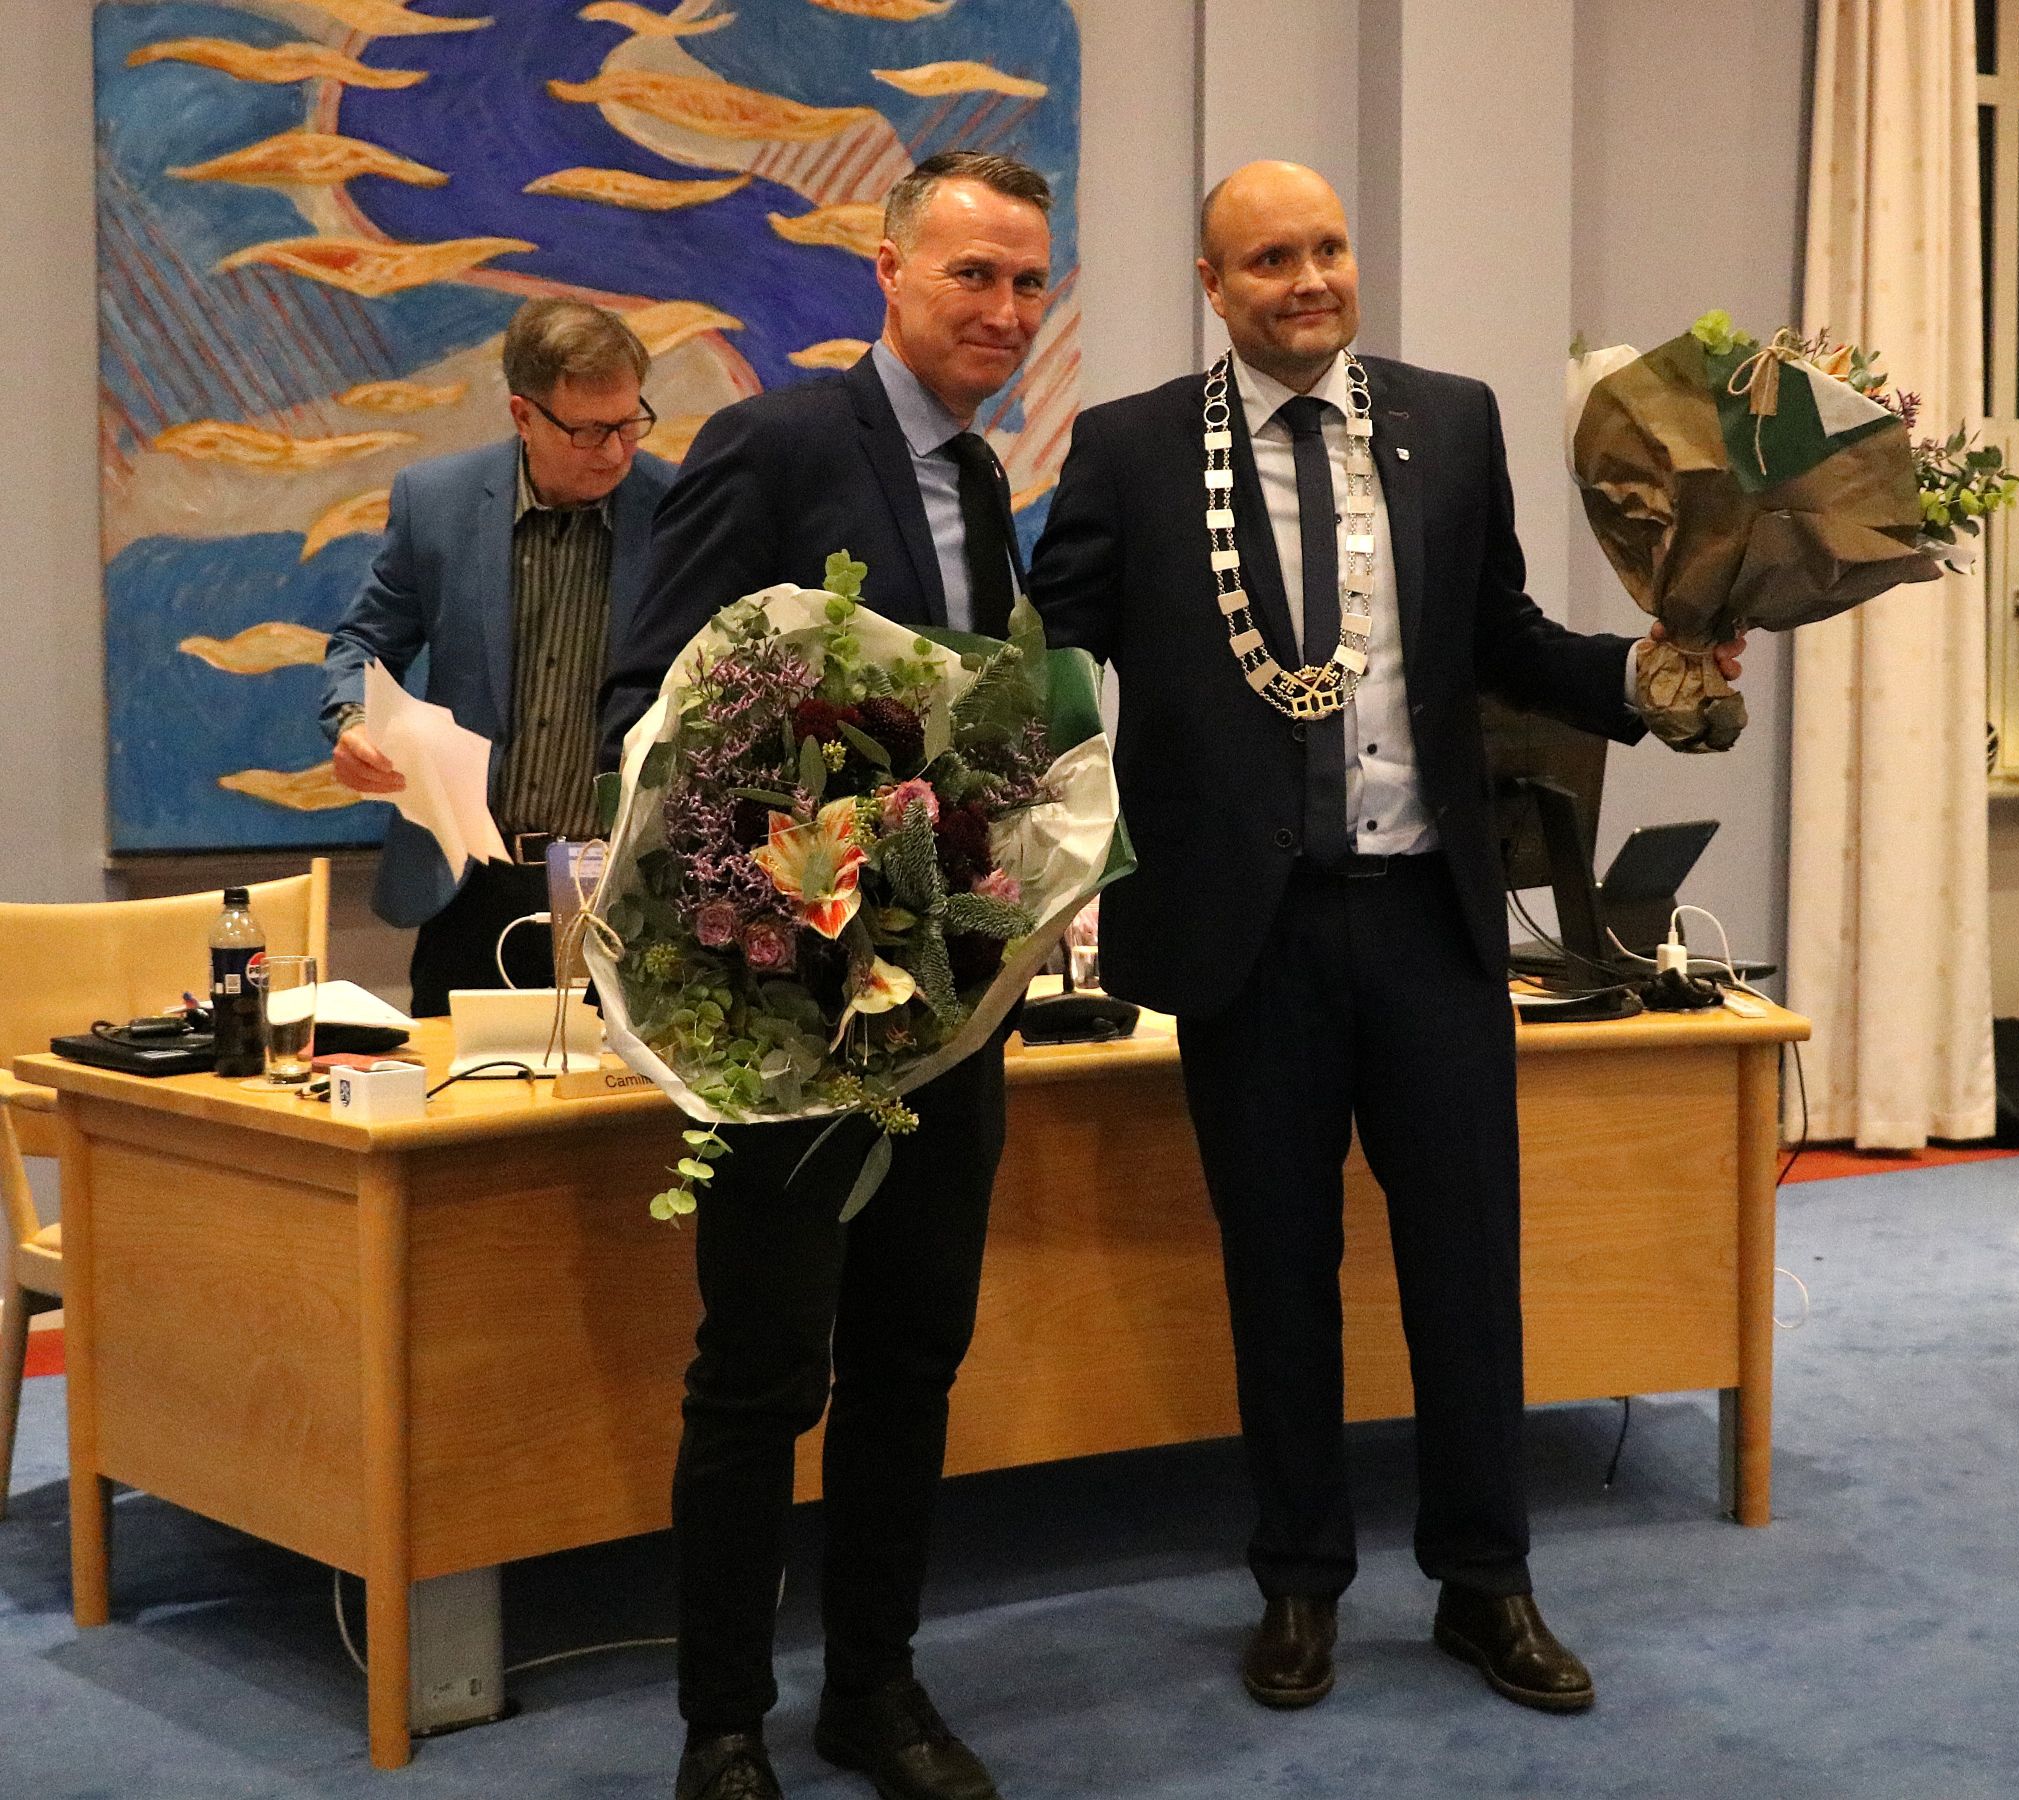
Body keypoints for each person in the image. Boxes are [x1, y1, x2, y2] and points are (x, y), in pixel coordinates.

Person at [1029, 160, 1733, 1718]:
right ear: (1211, 284)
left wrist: (1641, 682)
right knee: (1277, 1273)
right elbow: (1043, 658)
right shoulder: (1132, 448)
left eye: (1329, 248)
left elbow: (1503, 638)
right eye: (1269, 257)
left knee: (1467, 1269)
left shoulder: (1450, 421)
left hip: (1427, 921)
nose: (1309, 279)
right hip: (1245, 941)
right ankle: (1297, 1584)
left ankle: (1486, 1585)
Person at [598, 151, 1050, 1800]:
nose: (1000, 309)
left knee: (913, 1363)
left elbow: (977, 725)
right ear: (887, 270)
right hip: (784, 1006)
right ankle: (720, 1727)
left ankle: (873, 1688)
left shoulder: (989, 485)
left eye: (1025, 282)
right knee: (759, 1372)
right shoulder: (774, 443)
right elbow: (653, 700)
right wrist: (836, 797)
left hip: (947, 1012)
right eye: (970, 276)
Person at [320, 298, 673, 1014]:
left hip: (618, 886)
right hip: (471, 883)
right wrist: (352, 721)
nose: (614, 451)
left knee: (605, 1120)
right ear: (523, 416)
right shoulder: (437, 502)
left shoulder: (678, 508)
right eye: (588, 430)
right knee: (459, 1114)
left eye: (629, 423)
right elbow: (363, 643)